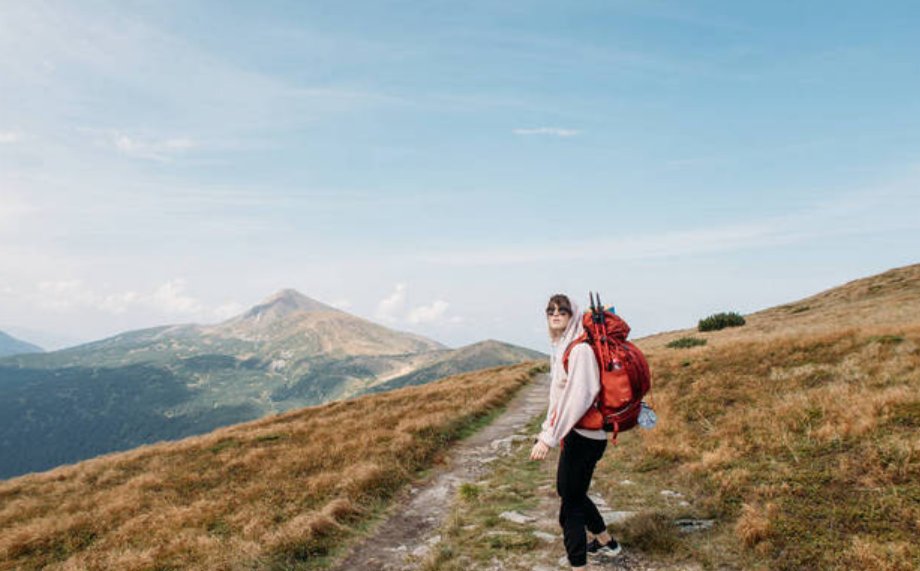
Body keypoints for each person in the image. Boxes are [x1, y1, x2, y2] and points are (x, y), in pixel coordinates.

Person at [530, 293, 622, 570]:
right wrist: (549, 429)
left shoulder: (580, 349)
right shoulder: (562, 346)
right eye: (550, 310)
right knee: (573, 492)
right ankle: (608, 543)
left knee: (569, 503)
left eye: (562, 310)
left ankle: (578, 564)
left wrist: (549, 437)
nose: (555, 314)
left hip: (586, 436)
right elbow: (557, 398)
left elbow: (578, 398)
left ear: (573, 315)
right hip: (578, 435)